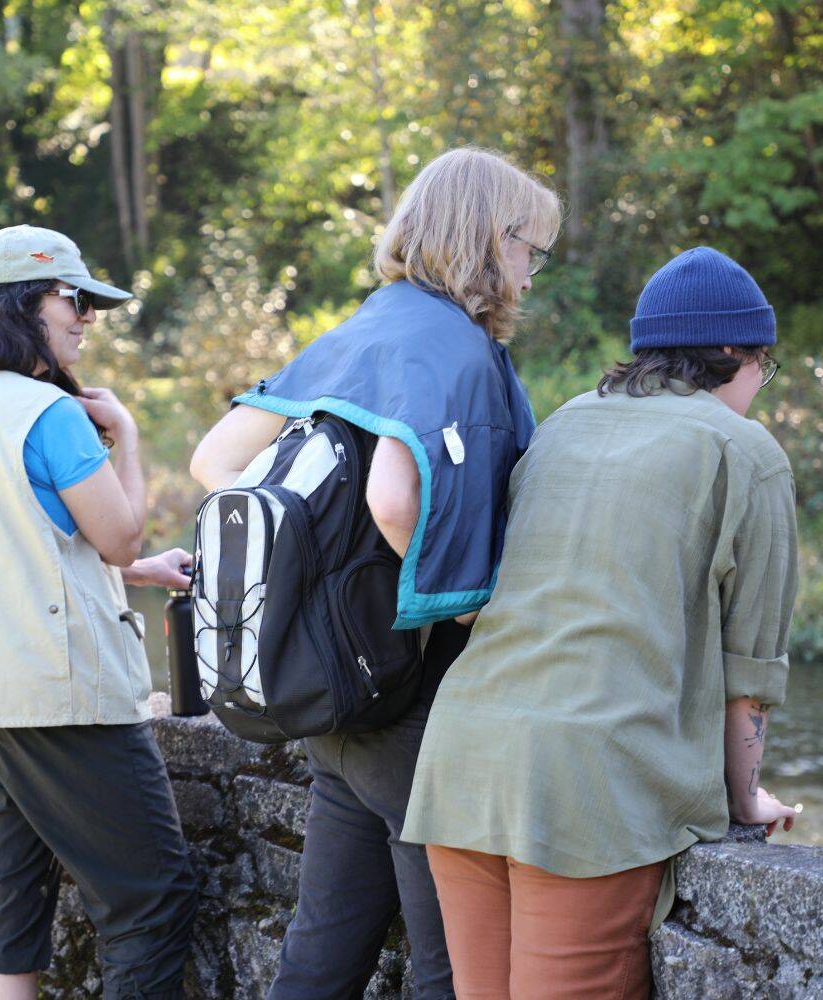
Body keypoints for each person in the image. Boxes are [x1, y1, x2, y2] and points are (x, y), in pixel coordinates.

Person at [191, 148, 560, 1000]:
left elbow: (217, 461)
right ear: (488, 240)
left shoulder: (360, 327)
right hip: (414, 704)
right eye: (529, 251)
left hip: (338, 693)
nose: (531, 277)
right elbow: (397, 496)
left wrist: (328, 585)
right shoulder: (453, 347)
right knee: (453, 969)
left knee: (321, 956)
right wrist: (467, 615)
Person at [402, 246, 801, 1000]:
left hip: (463, 762)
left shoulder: (565, 423)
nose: (760, 388)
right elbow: (749, 665)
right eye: (762, 367)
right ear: (731, 354)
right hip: (587, 788)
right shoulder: (746, 453)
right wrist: (747, 797)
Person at [0, 225, 198, 1000]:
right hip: (52, 694)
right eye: (74, 299)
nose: (88, 316)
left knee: (9, 895)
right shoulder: (47, 415)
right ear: (24, 304)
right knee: (152, 898)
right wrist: (126, 438)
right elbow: (118, 538)